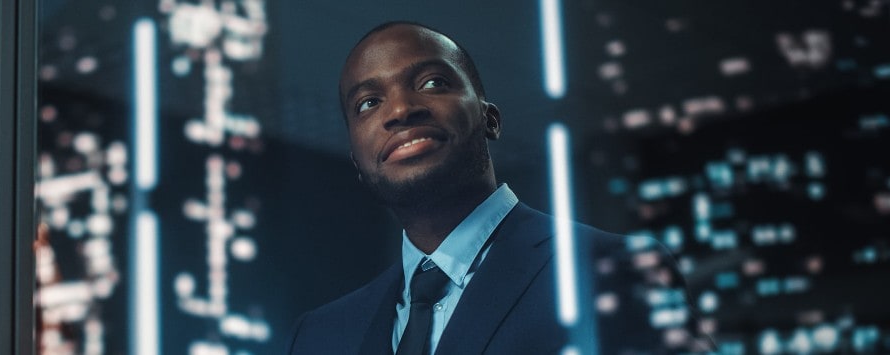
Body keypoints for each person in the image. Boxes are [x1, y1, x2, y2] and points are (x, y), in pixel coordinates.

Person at [285, 21, 713, 354]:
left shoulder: (614, 272)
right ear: (357, 163)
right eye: (368, 103)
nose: (400, 109)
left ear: (490, 119)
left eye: (432, 82)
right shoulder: (321, 336)